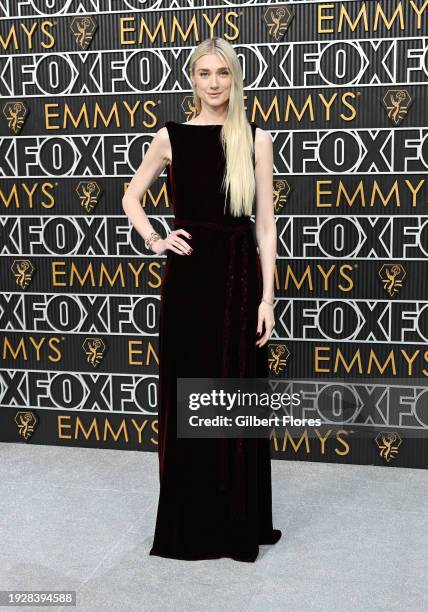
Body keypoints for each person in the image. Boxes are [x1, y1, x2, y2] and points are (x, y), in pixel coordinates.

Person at [122, 36, 281, 562]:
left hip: (239, 284)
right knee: (188, 397)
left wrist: (267, 299)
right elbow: (131, 196)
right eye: (204, 74)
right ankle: (192, 522)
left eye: (223, 74)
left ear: (234, 79)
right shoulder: (170, 137)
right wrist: (155, 238)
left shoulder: (255, 139)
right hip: (189, 283)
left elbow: (264, 227)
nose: (214, 83)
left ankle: (237, 521)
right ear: (193, 80)